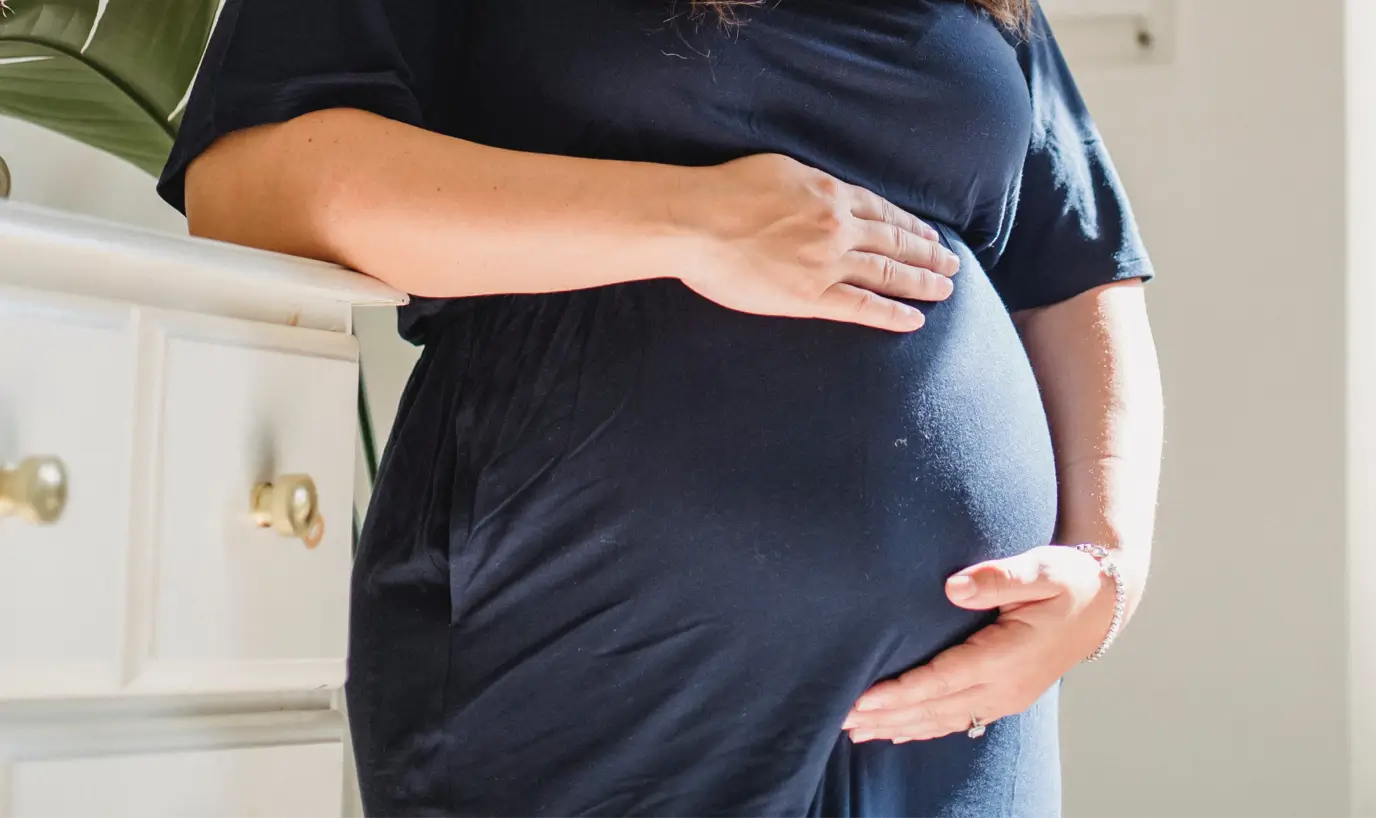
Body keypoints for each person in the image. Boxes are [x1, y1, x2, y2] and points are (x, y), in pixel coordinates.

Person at [159, 0, 1164, 814]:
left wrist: (1106, 573)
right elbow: (254, 183)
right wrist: (689, 220)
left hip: (962, 716)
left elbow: (1077, 269)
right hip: (595, 667)